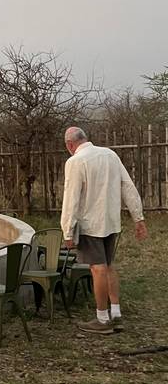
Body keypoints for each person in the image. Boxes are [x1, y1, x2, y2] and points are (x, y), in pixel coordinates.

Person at [61, 126, 148, 335]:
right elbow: (127, 185)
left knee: (97, 269)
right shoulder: (110, 154)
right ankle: (116, 314)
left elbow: (71, 198)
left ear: (70, 145)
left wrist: (67, 230)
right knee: (108, 266)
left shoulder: (75, 161)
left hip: (90, 224)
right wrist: (138, 217)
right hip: (110, 221)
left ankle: (102, 318)